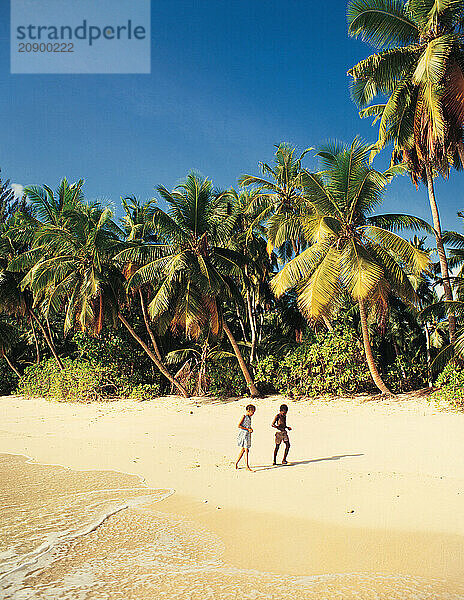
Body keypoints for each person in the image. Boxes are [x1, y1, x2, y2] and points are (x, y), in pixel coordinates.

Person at [235, 404, 256, 471]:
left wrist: (250, 429)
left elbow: (248, 425)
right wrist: (247, 429)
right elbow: (239, 425)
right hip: (243, 434)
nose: (253, 413)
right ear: (248, 411)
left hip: (248, 434)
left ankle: (236, 463)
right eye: (252, 412)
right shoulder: (244, 416)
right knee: (246, 450)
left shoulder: (250, 417)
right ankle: (247, 466)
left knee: (244, 450)